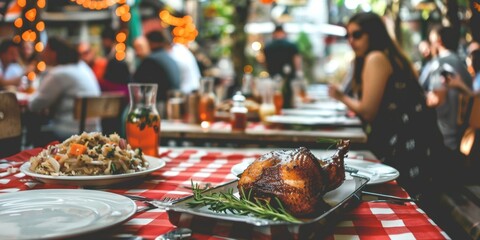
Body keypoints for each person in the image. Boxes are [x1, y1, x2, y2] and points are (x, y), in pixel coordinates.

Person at [328, 12, 446, 198]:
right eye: (348, 35)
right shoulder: (391, 56)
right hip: (420, 145)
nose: (351, 41)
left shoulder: (376, 58)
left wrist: (340, 96)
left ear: (372, 34)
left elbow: (368, 112)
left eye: (357, 35)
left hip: (403, 149)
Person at [28, 37, 101, 144]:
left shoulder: (59, 73)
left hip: (69, 132)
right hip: (94, 131)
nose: (42, 53)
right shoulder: (83, 66)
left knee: (33, 124)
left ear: (53, 53)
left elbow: (34, 105)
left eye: (45, 50)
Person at [422, 25, 473, 156]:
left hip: (444, 135)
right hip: (462, 135)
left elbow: (437, 99)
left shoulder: (440, 63)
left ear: (438, 41)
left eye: (431, 40)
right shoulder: (460, 63)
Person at [133, 29, 180, 115]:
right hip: (173, 106)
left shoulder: (151, 60)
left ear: (150, 43)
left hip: (159, 108)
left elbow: (136, 84)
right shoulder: (168, 57)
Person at [263, 25, 302, 108]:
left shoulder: (268, 46)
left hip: (273, 77)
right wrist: (298, 71)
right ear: (283, 33)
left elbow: (265, 62)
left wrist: (267, 71)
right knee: (288, 97)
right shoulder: (291, 45)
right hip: (289, 77)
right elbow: (297, 59)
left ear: (274, 34)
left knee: (274, 99)